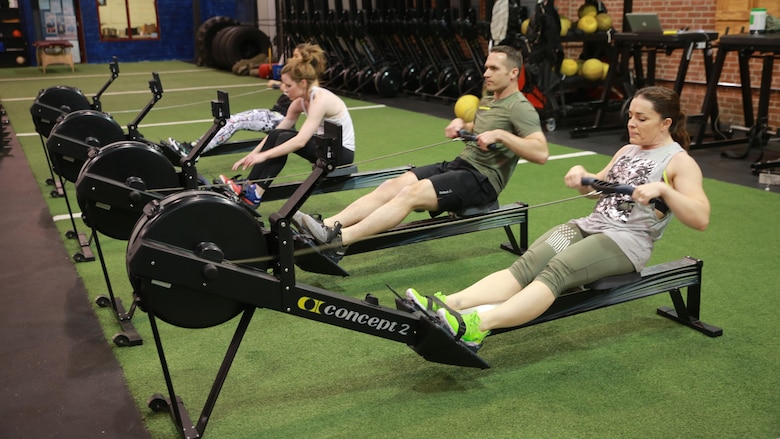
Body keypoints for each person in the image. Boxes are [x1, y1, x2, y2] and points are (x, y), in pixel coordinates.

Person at [405, 86, 711, 350]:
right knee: (526, 265)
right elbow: (597, 191)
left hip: (625, 241)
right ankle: (450, 304)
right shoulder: (627, 150)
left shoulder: (679, 162)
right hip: (589, 225)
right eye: (630, 115)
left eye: (641, 118)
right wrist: (584, 179)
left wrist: (665, 191)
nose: (632, 123)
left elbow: (700, 217)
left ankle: (476, 327)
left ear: (665, 123)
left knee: (558, 270)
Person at [295, 45, 549, 261]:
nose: (486, 73)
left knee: (410, 194)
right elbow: (485, 128)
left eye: (494, 69)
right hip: (461, 165)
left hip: (482, 181)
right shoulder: (490, 99)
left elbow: (540, 152)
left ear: (514, 73)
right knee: (393, 185)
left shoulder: (520, 107)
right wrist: (463, 126)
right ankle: (328, 225)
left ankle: (340, 242)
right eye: (486, 67)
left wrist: (502, 136)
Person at [221, 43, 356, 208]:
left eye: (288, 85)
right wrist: (252, 155)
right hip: (325, 147)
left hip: (342, 154)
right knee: (279, 134)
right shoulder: (299, 102)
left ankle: (256, 193)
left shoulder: (320, 99)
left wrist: (264, 156)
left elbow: (300, 141)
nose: (284, 90)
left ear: (303, 83)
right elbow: (274, 133)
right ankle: (250, 185)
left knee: (285, 137)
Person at [166, 43, 321, 156]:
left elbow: (306, 96)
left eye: (295, 56)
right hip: (277, 115)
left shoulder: (309, 84)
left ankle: (192, 150)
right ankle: (194, 148)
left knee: (234, 121)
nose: (291, 59)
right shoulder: (297, 80)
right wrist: (278, 84)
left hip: (279, 119)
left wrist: (280, 85)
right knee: (232, 120)